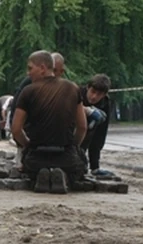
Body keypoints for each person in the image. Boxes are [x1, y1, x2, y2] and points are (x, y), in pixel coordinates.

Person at [11, 50, 87, 193]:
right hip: (66, 156)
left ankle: (39, 176)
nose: (28, 73)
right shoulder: (72, 88)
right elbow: (82, 127)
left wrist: (28, 146)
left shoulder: (28, 91)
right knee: (80, 167)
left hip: (37, 156)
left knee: (29, 167)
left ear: (42, 68)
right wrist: (74, 147)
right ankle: (64, 176)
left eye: (30, 68)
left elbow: (15, 129)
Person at [80, 74, 113, 177]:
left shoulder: (105, 103)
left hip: (89, 132)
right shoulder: (77, 94)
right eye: (93, 92)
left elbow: (100, 135)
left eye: (99, 94)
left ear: (104, 95)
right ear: (88, 88)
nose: (94, 97)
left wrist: (95, 166)